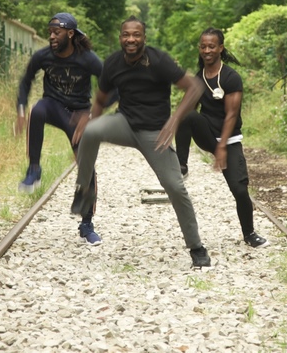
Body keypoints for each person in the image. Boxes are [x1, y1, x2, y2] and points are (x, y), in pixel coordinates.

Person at [70, 16, 212, 268]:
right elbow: (101, 100)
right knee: (91, 131)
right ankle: (84, 191)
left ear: (144, 38)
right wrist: (90, 121)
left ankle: (197, 248)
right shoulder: (113, 63)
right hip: (125, 123)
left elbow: (195, 88)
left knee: (176, 188)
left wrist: (174, 121)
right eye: (126, 35)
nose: (131, 39)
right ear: (120, 37)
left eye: (136, 35)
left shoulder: (159, 61)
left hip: (156, 133)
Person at [14, 12, 104, 246]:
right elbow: (26, 81)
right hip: (53, 107)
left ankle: (87, 224)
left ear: (70, 34)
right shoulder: (43, 56)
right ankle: (34, 169)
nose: (51, 37)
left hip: (77, 117)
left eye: (57, 32)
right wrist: (21, 110)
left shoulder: (87, 59)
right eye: (50, 33)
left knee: (86, 168)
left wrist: (92, 114)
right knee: (38, 109)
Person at [175, 27, 269, 248]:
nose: (207, 50)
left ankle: (250, 234)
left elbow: (231, 115)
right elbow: (186, 112)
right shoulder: (199, 79)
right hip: (208, 134)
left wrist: (223, 149)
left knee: (239, 190)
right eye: (203, 46)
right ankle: (181, 165)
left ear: (220, 48)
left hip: (230, 140)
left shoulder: (230, 77)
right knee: (186, 114)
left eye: (211, 46)